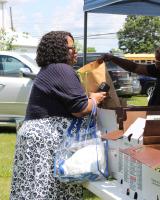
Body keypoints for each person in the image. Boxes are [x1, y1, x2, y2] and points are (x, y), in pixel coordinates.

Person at [10, 31, 107, 200]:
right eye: (71, 48)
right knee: (45, 191)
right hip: (44, 142)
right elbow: (81, 107)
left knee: (34, 189)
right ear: (59, 50)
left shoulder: (51, 69)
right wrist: (94, 98)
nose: (75, 51)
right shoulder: (61, 69)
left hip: (37, 140)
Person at [100, 38, 160, 108]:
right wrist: (112, 58)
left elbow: (159, 111)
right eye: (157, 51)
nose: (157, 56)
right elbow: (135, 67)